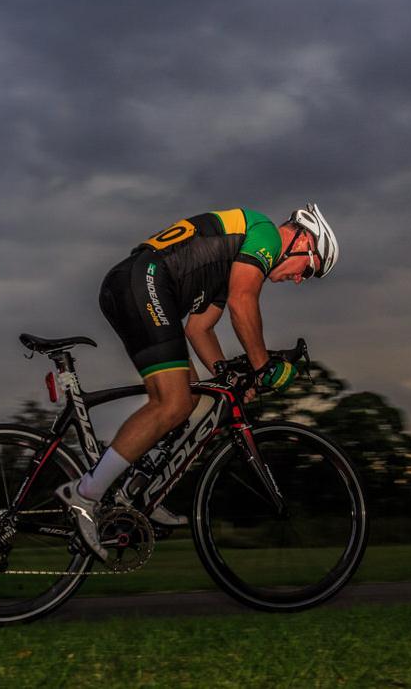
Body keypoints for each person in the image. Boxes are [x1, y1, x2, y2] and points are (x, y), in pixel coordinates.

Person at [56, 204, 339, 561]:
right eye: (309, 269)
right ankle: (85, 495)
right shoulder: (265, 233)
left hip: (142, 285)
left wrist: (226, 373)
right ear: (301, 239)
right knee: (172, 403)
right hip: (147, 282)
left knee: (194, 402)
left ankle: (133, 490)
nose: (299, 279)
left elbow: (199, 328)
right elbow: (242, 302)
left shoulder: (233, 263)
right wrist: (263, 365)